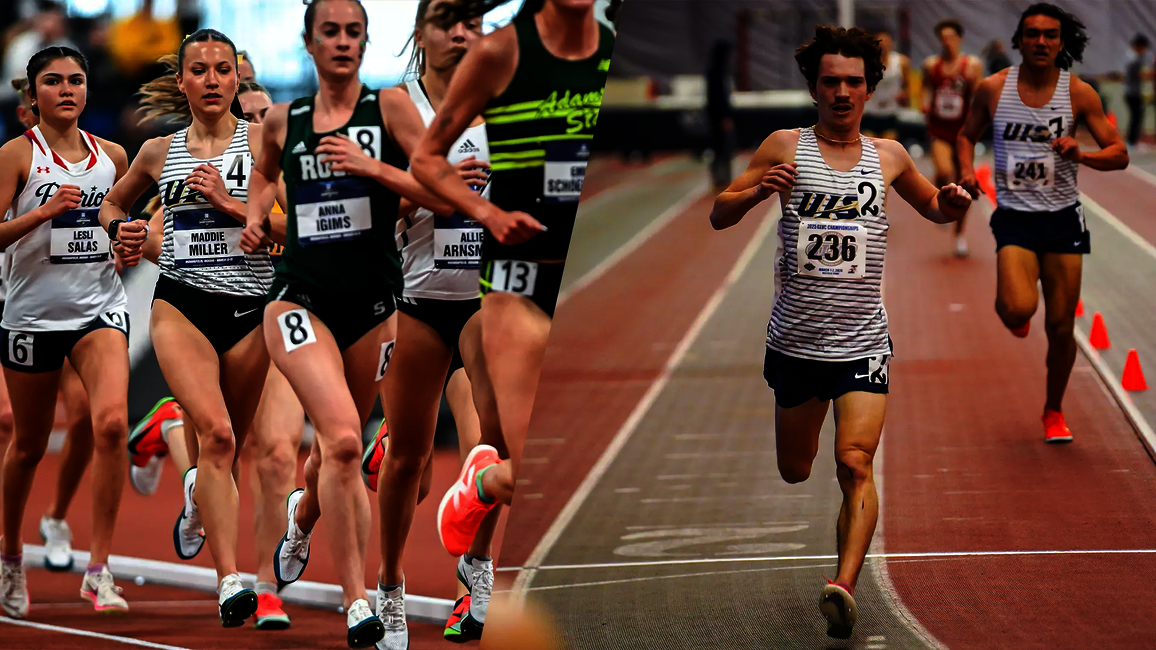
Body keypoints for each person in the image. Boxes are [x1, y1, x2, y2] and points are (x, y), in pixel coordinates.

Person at [708, 25, 971, 639]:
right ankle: (839, 566)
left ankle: (843, 586)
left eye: (854, 82)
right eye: (831, 81)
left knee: (855, 462)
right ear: (813, 86)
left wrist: (953, 202)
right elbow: (719, 212)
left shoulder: (891, 157)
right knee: (796, 470)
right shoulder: (782, 147)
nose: (843, 92)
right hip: (795, 344)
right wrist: (752, 194)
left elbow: (933, 206)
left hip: (863, 343)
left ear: (871, 88)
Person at [239, 0, 456, 645]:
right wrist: (254, 217)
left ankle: (299, 522)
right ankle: (358, 598)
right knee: (339, 441)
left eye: (353, 33)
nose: (342, 42)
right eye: (329, 32)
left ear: (365, 43)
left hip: (373, 307)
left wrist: (373, 168)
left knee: (337, 451)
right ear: (309, 43)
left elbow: (440, 192)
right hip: (299, 301)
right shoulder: (282, 120)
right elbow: (263, 174)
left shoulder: (388, 109)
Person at [409, 0, 613, 579]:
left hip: (567, 276)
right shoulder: (500, 52)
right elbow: (426, 159)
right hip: (513, 280)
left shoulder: (608, 45)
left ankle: (481, 484)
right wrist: (486, 212)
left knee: (565, 464)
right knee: (537, 473)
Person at [100, 29, 274, 628]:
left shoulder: (264, 145)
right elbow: (114, 205)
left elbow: (289, 231)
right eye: (198, 70)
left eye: (222, 70)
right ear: (182, 81)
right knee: (220, 436)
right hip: (182, 304)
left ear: (236, 78)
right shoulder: (157, 151)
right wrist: (120, 230)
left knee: (230, 448)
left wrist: (231, 205)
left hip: (250, 310)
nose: (211, 81)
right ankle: (229, 580)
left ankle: (191, 480)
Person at [125, 80, 300, 630]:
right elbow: (155, 238)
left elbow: (300, 234)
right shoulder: (184, 160)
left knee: (273, 453)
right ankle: (235, 579)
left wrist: (239, 213)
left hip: (273, 308)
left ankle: (268, 588)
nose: (254, 121)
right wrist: (166, 244)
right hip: (201, 306)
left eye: (261, 112)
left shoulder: (274, 157)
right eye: (246, 112)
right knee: (226, 442)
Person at [366, 0, 496, 645]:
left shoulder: (502, 104)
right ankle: (389, 586)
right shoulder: (397, 105)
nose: (459, 32)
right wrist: (438, 188)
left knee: (491, 450)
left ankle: (474, 570)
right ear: (421, 33)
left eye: (471, 20)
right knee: (409, 462)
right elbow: (371, 198)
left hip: (484, 298)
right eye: (446, 19)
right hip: (415, 297)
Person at [0, 46, 133, 618]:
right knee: (28, 446)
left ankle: (99, 569)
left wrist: (130, 242)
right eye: (52, 82)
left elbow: (135, 221)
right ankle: (9, 556)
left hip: (99, 310)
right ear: (33, 96)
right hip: (31, 317)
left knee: (109, 424)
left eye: (76, 80)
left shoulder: (114, 157)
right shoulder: (14, 155)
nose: (67, 90)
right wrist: (42, 213)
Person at [957, 3, 1128, 443]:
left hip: (1063, 218)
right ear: (1018, 41)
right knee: (1016, 308)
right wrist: (963, 170)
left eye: (1050, 35)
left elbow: (1119, 154)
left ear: (1061, 43)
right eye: (1032, 34)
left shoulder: (1079, 94)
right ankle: (1017, 312)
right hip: (1015, 216)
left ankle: (1053, 410)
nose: (1040, 42)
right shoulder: (994, 89)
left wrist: (1082, 154)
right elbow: (965, 134)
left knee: (1060, 327)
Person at [922, 18, 983, 257]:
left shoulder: (972, 65)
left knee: (963, 185)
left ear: (959, 38)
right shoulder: (931, 65)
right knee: (945, 173)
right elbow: (926, 88)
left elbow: (980, 96)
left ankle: (959, 234)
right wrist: (926, 103)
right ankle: (942, 202)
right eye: (942, 37)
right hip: (939, 130)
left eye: (950, 36)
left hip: (963, 133)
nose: (946, 41)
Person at [862, 27, 909, 140]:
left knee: (888, 149)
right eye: (880, 42)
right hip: (870, 113)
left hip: (890, 113)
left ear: (892, 43)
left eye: (887, 42)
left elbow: (907, 86)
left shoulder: (901, 62)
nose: (884, 46)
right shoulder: (866, 62)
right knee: (871, 150)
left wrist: (904, 95)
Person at [706, 39, 735, 192]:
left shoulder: (722, 70)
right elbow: (717, 97)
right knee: (721, 148)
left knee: (724, 148)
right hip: (718, 117)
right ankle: (720, 179)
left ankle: (723, 178)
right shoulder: (715, 72)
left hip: (720, 115)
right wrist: (724, 117)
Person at [1123, 34, 1149, 149]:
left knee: (1136, 116)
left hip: (1132, 90)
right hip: (1132, 92)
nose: (1144, 51)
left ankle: (1133, 141)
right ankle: (1131, 141)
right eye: (1143, 48)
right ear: (1138, 46)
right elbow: (1140, 75)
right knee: (1136, 116)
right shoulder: (1134, 59)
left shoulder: (1131, 56)